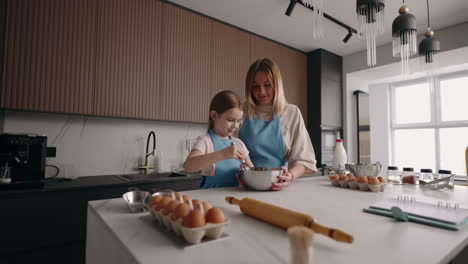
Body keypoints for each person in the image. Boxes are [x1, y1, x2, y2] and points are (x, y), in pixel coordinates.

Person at [239, 58, 317, 191]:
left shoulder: (291, 113)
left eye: (267, 85)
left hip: (277, 184)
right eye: (255, 86)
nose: (262, 92)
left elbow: (304, 160)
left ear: (277, 84)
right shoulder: (240, 111)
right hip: (242, 185)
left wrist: (290, 176)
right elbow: (226, 148)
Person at [184, 90, 254, 189]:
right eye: (230, 120)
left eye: (238, 121)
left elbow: (254, 172)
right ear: (214, 116)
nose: (235, 126)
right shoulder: (205, 141)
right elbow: (189, 166)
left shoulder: (239, 143)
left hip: (235, 197)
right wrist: (223, 154)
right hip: (210, 198)